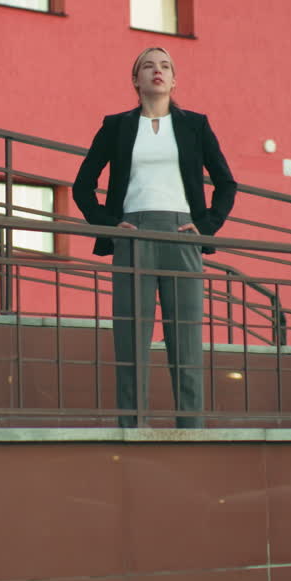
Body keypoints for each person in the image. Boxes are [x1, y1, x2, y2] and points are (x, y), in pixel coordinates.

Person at [72, 47, 237, 428]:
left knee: (186, 340)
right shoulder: (116, 126)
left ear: (174, 80)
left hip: (183, 235)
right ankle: (132, 427)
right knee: (131, 337)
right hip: (133, 235)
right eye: (148, 66)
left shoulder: (195, 125)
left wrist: (207, 226)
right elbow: (82, 186)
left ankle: (191, 428)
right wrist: (108, 223)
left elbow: (226, 183)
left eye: (165, 66)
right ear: (136, 80)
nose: (157, 71)